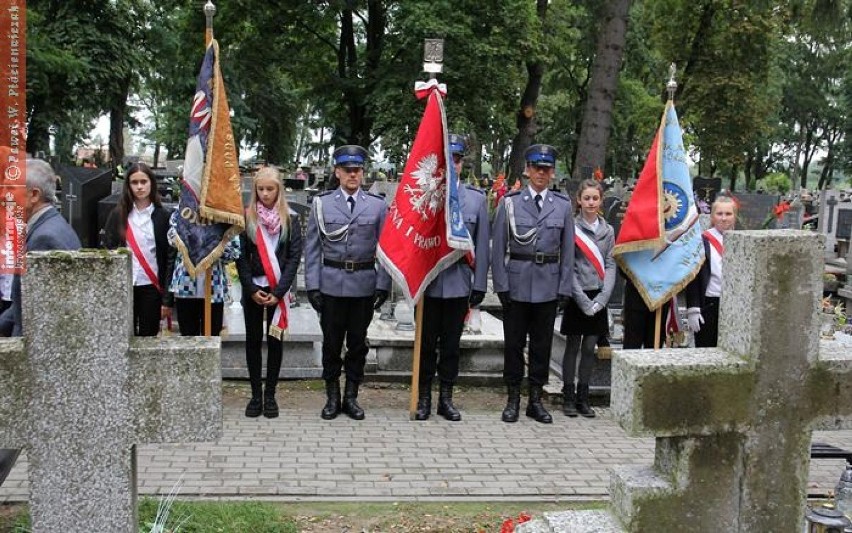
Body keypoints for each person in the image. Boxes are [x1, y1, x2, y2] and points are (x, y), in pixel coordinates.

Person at [0, 158, 82, 487]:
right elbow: (23, 302)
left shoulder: (46, 239)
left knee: (6, 437)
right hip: (34, 355)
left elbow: (43, 316)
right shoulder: (46, 228)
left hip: (39, 362)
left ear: (33, 195)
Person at [305, 145, 391, 421]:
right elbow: (313, 248)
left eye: (357, 170)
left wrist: (383, 284)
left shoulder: (377, 206)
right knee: (331, 344)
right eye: (347, 170)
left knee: (357, 345)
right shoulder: (322, 204)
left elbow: (386, 249)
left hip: (364, 285)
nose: (353, 175)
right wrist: (313, 286)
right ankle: (332, 397)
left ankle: (352, 397)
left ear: (363, 172)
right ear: (337, 172)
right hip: (331, 284)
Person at [491, 144, 575, 424]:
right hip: (516, 283)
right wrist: (501, 285)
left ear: (552, 173)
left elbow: (568, 251)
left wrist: (564, 287)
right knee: (514, 344)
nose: (541, 173)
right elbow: (498, 246)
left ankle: (535, 399)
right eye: (536, 168)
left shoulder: (562, 206)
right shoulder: (510, 203)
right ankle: (513, 398)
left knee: (542, 345)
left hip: (548, 285)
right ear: (527, 170)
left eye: (546, 169)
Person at [413, 134, 490, 422]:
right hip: (429, 284)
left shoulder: (476, 200)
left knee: (450, 347)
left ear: (462, 164)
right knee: (425, 346)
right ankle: (423, 398)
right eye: (448, 161)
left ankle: (446, 398)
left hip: (459, 283)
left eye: (457, 160)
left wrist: (480, 284)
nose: (453, 165)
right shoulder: (426, 195)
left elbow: (482, 246)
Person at [236, 167, 303, 418]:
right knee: (253, 341)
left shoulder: (291, 219)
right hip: (254, 289)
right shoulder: (246, 218)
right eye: (260, 189)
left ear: (279, 190)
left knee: (275, 342)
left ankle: (271, 395)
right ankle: (255, 395)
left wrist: (279, 290)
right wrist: (251, 289)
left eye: (270, 189)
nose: (265, 194)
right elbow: (240, 257)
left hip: (278, 290)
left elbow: (294, 258)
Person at [560, 179, 615, 418]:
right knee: (572, 346)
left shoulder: (608, 230)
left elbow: (611, 264)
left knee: (590, 347)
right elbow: (568, 265)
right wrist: (582, 300)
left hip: (598, 295)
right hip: (577, 294)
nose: (591, 202)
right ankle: (568, 396)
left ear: (600, 201)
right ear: (579, 201)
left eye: (595, 198)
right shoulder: (571, 227)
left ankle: (584, 396)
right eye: (587, 198)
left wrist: (602, 299)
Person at [101, 162, 173, 336]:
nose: (140, 187)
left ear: (151, 184)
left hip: (151, 287)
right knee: (122, 337)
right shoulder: (118, 215)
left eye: (144, 181)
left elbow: (170, 258)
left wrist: (167, 300)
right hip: (124, 286)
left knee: (148, 337)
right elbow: (107, 250)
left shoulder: (163, 216)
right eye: (135, 182)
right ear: (128, 186)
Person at [166, 213, 241, 337]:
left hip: (214, 288)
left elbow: (234, 252)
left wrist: (213, 247)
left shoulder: (224, 216)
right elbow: (172, 238)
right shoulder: (181, 212)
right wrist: (198, 240)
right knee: (188, 339)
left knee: (212, 338)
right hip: (186, 287)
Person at [685, 195, 737, 347]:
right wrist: (693, 308)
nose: (723, 218)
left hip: (734, 304)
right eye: (719, 214)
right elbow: (693, 276)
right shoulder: (702, 240)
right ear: (712, 217)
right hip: (709, 303)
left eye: (728, 214)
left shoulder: (743, 241)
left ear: (735, 216)